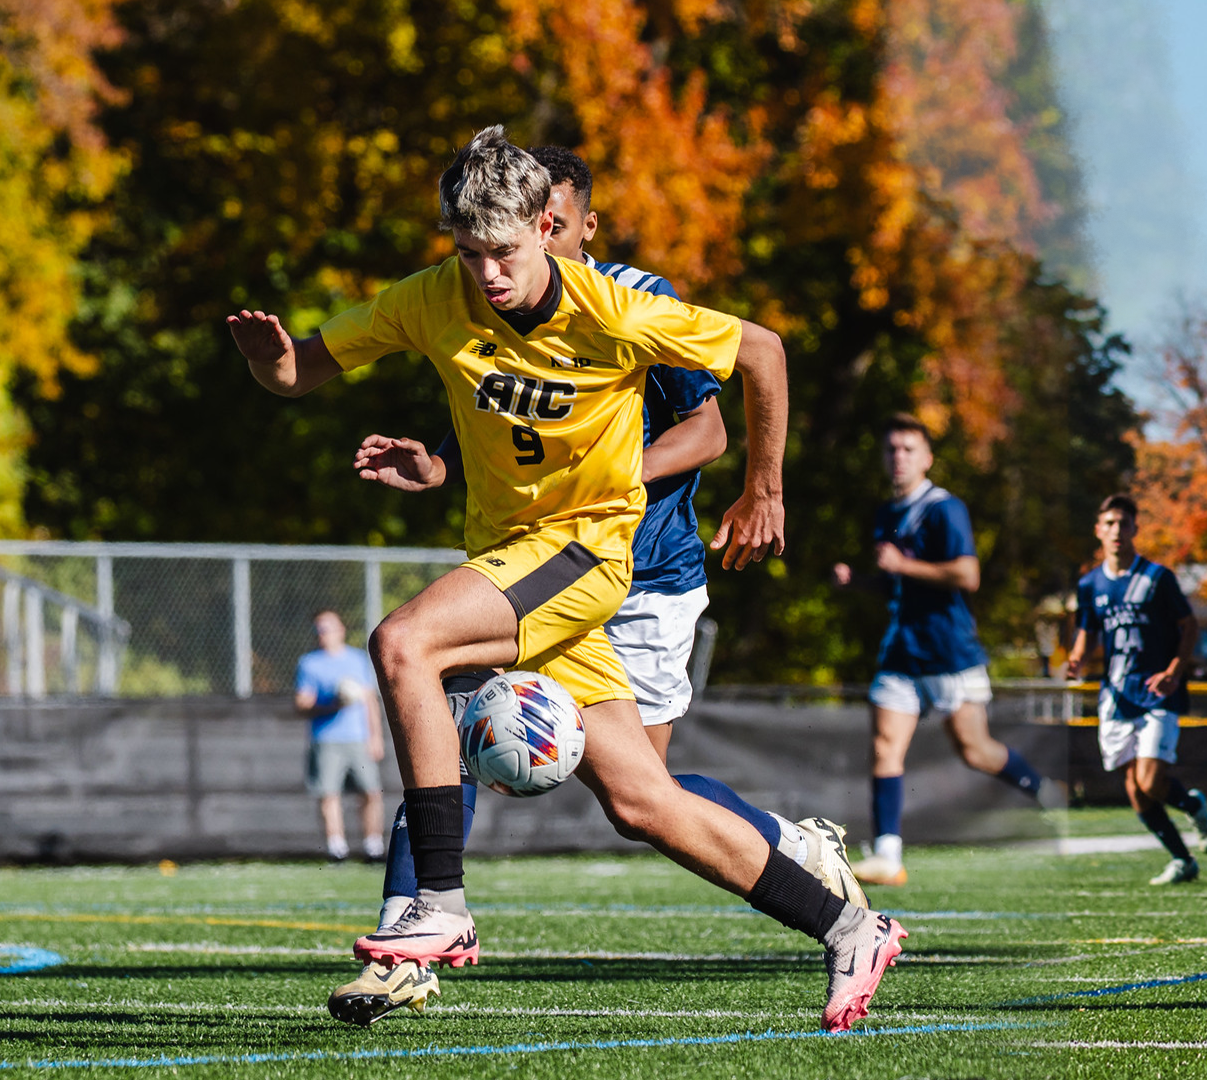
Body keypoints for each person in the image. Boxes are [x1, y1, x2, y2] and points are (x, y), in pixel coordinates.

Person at [230, 126, 904, 1033]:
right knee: (643, 803)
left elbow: (764, 351)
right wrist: (270, 362)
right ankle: (849, 926)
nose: (487, 274)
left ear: (548, 228)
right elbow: (300, 371)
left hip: (586, 551)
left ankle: (437, 907)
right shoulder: (433, 297)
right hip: (515, 560)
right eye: (468, 254)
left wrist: (764, 487)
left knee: (404, 643)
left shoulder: (613, 307)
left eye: (503, 252)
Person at [834, 413, 1061, 887]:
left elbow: (966, 575)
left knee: (975, 751)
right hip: (901, 652)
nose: (899, 457)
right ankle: (888, 857)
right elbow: (898, 579)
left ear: (927, 458)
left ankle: (1044, 790)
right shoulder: (886, 512)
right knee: (885, 748)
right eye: (892, 449)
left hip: (950, 651)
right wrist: (862, 583)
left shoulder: (944, 508)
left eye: (908, 449)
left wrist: (903, 565)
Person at [1064, 494, 1207, 885]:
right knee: (1135, 792)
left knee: (1150, 781)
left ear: (1135, 529)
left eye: (1124, 523)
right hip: (1116, 695)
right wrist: (1077, 657)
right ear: (1099, 530)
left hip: (1157, 692)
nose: (1117, 530)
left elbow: (1190, 626)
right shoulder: (1090, 583)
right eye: (1109, 523)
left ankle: (1192, 805)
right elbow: (1087, 629)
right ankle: (1183, 861)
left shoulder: (1156, 578)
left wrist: (1173, 670)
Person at [293, 610, 386, 862]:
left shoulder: (357, 660)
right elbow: (302, 703)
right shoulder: (309, 663)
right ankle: (336, 848)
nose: (324, 635)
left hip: (358, 739)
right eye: (320, 630)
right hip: (326, 739)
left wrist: (375, 736)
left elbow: (369, 702)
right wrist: (332, 704)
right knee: (329, 794)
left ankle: (373, 846)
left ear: (341, 630)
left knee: (370, 791)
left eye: (329, 628)